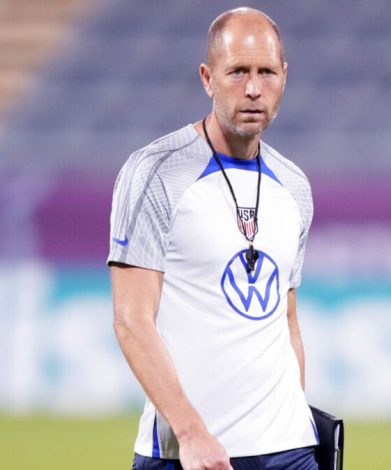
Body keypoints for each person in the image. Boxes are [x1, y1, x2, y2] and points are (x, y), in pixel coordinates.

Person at [108, 7, 317, 470]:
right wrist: (190, 432)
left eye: (266, 72)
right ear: (207, 78)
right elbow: (131, 320)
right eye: (238, 71)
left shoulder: (294, 186)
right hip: (191, 452)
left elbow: (287, 320)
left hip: (289, 452)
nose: (253, 88)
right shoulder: (155, 173)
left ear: (284, 77)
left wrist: (297, 424)